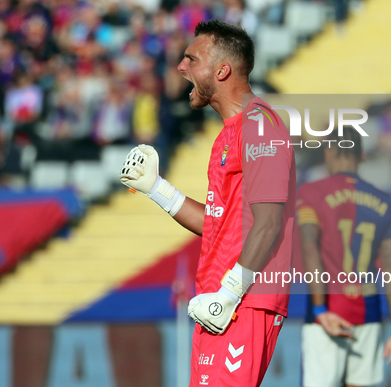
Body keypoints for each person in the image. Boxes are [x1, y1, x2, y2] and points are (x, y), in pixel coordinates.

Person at [119, 20, 295, 387]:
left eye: (191, 59)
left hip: (243, 300)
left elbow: (269, 223)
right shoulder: (227, 136)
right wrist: (156, 189)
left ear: (222, 70)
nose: (181, 68)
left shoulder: (261, 125)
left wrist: (229, 294)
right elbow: (218, 223)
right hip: (219, 300)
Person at [297, 128, 391, 387]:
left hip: (328, 312)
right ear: (362, 156)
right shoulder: (386, 203)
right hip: (369, 312)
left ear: (329, 152)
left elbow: (310, 249)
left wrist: (320, 309)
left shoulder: (311, 193)